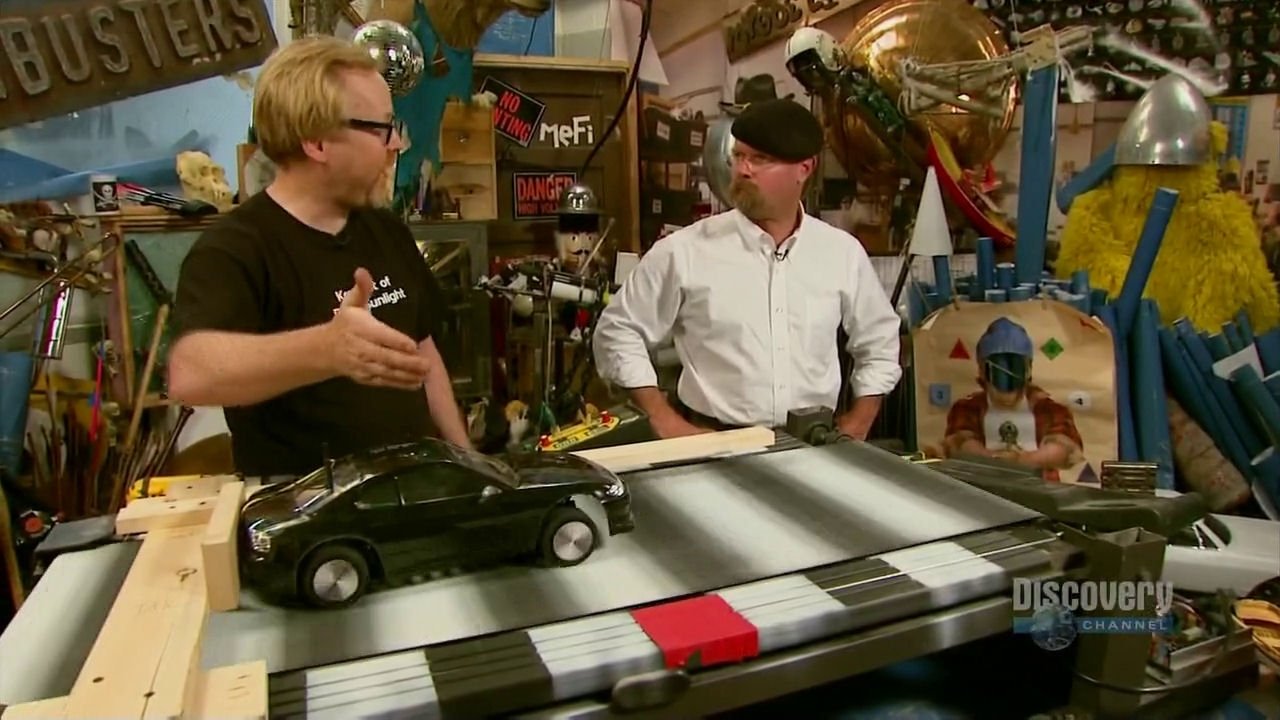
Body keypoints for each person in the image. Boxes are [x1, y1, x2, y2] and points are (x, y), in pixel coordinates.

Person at [166, 37, 470, 480]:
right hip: (306, 506)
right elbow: (191, 373)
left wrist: (467, 460)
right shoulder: (234, 249)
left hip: (412, 490)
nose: (397, 144)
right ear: (317, 142)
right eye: (382, 128)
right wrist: (328, 349)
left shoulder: (386, 230)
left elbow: (424, 354)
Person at [592, 98, 902, 438]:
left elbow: (880, 340)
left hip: (813, 444)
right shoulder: (684, 252)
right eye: (738, 156)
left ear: (804, 168)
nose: (743, 170)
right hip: (715, 445)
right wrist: (662, 418)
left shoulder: (841, 253)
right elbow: (618, 331)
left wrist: (860, 420)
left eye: (760, 159)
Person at [942, 317, 1083, 481]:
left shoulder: (1050, 409)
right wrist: (994, 460)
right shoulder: (967, 408)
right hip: (983, 488)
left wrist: (1023, 460)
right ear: (982, 370)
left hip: (1039, 489)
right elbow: (960, 443)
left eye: (1014, 366)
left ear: (1028, 369)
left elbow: (1064, 450)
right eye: (999, 368)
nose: (1006, 381)